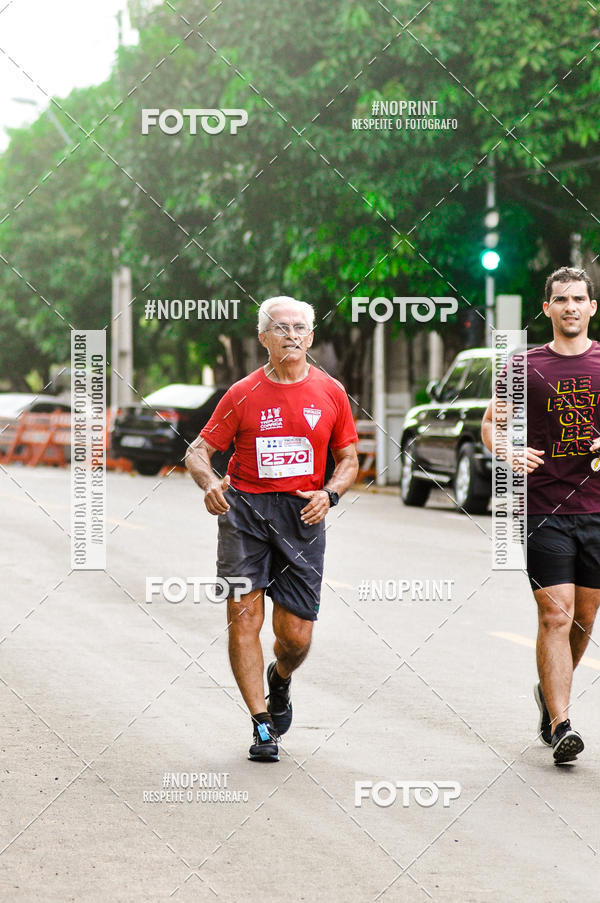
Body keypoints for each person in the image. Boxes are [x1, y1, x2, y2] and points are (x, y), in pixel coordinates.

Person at [186, 296, 358, 762]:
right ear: (263, 337)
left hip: (302, 515)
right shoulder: (242, 392)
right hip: (244, 513)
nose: (291, 335)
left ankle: (279, 678)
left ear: (312, 336)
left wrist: (330, 494)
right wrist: (208, 483)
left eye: (300, 327)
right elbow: (198, 451)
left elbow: (347, 460)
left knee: (296, 636)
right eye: (280, 328)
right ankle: (262, 724)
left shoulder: (331, 392)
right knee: (244, 617)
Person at [482, 266, 600, 764]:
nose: (570, 306)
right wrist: (507, 453)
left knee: (584, 619)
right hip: (543, 510)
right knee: (556, 614)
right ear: (547, 308)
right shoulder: (523, 365)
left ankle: (548, 694)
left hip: (598, 510)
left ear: (592, 307)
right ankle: (561, 723)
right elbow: (491, 424)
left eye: (579, 298)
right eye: (560, 299)